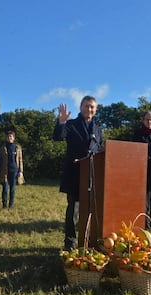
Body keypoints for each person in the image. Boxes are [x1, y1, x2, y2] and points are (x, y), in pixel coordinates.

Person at [53, 96, 103, 250]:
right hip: (75, 175)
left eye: (92, 107)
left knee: (91, 211)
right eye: (87, 106)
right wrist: (61, 122)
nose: (89, 109)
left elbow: (100, 149)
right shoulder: (71, 124)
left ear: (95, 110)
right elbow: (58, 137)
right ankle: (70, 243)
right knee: (73, 211)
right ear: (81, 107)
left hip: (93, 176)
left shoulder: (99, 129)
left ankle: (88, 242)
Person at [0, 130, 24, 209]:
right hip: (5, 171)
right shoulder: (3, 148)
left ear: (14, 138)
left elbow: (20, 160)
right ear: (6, 138)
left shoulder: (17, 148)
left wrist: (21, 171)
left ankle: (11, 205)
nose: (9, 138)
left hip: (14, 171)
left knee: (12, 189)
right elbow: (0, 160)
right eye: (8, 136)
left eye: (11, 136)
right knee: (5, 188)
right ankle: (4, 205)